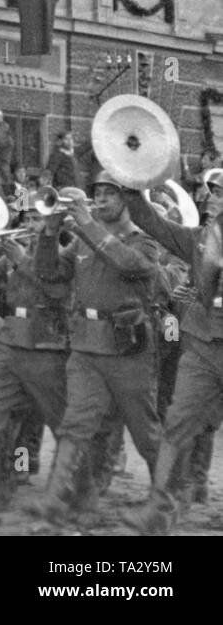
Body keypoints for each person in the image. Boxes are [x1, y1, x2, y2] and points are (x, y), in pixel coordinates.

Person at [24, 173, 163, 527]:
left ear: (128, 200)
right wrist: (50, 232)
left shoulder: (144, 239)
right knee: (76, 425)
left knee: (146, 433)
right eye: (97, 193)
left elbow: (130, 265)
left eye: (108, 195)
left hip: (126, 349)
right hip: (86, 345)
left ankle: (164, 503)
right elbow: (48, 273)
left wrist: (86, 223)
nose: (99, 200)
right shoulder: (84, 240)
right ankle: (53, 499)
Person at [0, 197, 78, 532]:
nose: (30, 225)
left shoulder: (69, 248)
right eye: (26, 218)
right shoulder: (14, 253)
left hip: (47, 345)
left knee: (63, 428)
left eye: (37, 219)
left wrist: (24, 261)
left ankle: (76, 494)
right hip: (9, 342)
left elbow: (58, 291)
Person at [120, 171, 223, 534]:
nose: (211, 199)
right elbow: (151, 221)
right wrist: (131, 187)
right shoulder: (198, 241)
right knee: (177, 424)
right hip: (203, 348)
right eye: (212, 192)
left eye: (220, 194)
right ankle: (160, 508)